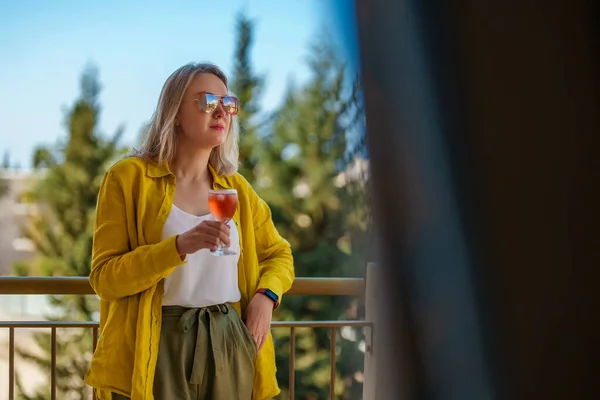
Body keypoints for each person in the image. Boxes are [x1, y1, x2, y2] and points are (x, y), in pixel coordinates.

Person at [83, 62, 295, 400]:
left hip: (229, 342)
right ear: (174, 113)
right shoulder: (127, 178)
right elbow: (105, 279)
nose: (221, 111)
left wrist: (266, 297)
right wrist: (178, 247)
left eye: (228, 103)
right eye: (208, 101)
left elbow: (279, 254)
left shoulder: (237, 189)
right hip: (154, 344)